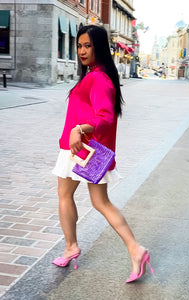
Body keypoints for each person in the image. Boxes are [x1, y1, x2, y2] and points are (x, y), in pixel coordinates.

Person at [52, 25, 153, 283]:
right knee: (84, 199)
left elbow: (105, 117)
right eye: (80, 45)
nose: (83, 51)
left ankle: (130, 249)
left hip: (83, 148)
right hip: (81, 147)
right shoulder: (95, 75)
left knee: (86, 200)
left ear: (99, 48)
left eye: (88, 46)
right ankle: (76, 247)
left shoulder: (98, 78)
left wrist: (78, 129)